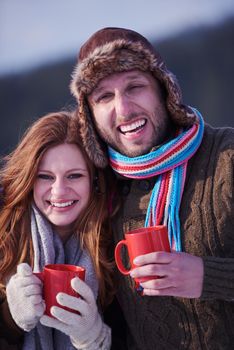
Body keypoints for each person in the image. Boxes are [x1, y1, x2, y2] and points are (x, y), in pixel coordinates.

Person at [69, 27, 234, 349]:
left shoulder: (227, 155)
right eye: (104, 97)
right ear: (89, 115)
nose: (125, 109)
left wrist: (209, 276)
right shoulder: (96, 188)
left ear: (164, 91)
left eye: (135, 87)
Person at [0, 111, 113, 350]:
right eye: (45, 177)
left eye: (74, 176)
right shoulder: (4, 232)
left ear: (94, 181)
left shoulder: (114, 238)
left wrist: (94, 336)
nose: (59, 191)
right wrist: (10, 317)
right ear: (28, 180)